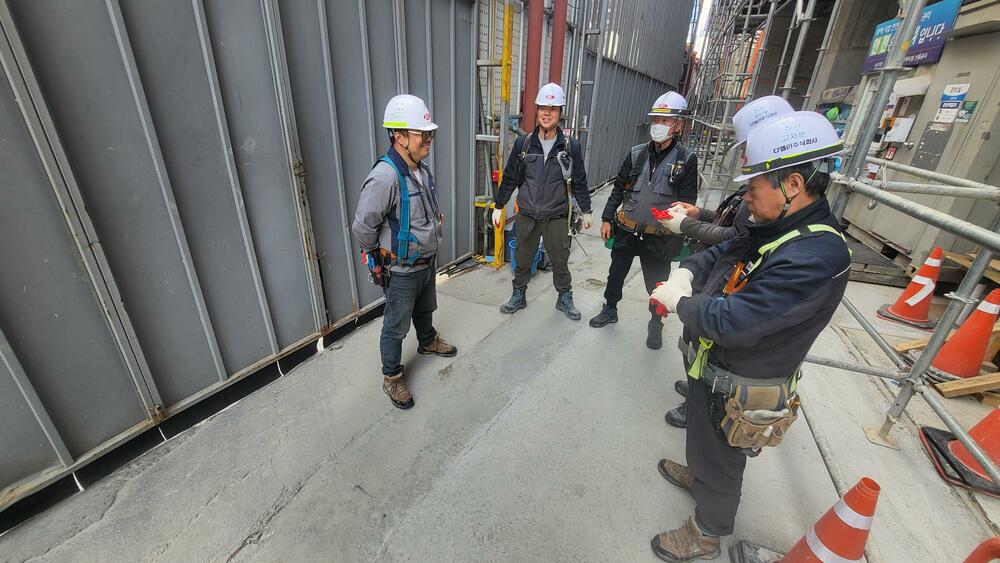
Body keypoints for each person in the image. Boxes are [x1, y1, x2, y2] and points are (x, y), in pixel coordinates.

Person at [647, 111, 851, 561]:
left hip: (742, 378)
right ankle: (701, 476)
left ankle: (706, 532)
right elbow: (728, 248)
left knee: (722, 457)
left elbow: (735, 321)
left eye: (754, 186)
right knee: (706, 442)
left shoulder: (814, 255)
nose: (747, 199)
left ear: (792, 184)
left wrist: (681, 303)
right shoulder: (780, 225)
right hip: (718, 367)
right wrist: (687, 271)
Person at [660, 95, 794, 429]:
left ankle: (697, 402)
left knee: (707, 343)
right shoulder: (760, 188)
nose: (745, 155)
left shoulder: (772, 198)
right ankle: (695, 388)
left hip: (731, 285)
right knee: (695, 343)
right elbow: (731, 223)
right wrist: (699, 213)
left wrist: (685, 225)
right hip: (718, 276)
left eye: (748, 146)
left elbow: (734, 238)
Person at [352, 94, 458, 410]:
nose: (428, 139)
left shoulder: (421, 170)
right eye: (421, 134)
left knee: (425, 309)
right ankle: (392, 377)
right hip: (401, 270)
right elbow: (362, 226)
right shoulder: (384, 177)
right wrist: (376, 256)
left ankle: (427, 341)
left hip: (425, 263)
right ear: (399, 137)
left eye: (430, 133)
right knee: (395, 327)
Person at [588, 91, 698, 350]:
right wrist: (606, 218)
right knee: (615, 274)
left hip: (658, 236)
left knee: (657, 285)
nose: (658, 125)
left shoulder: (686, 160)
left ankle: (655, 323)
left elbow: (687, 203)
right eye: (656, 120)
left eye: (665, 120)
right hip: (627, 229)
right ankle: (610, 308)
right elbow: (618, 188)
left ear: (678, 125)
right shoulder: (636, 154)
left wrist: (681, 233)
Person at [492, 83, 592, 320]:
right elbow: (511, 176)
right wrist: (499, 205)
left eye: (553, 109)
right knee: (522, 259)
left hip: (556, 216)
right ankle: (519, 295)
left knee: (560, 260)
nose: (547, 113)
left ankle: (564, 297)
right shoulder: (524, 144)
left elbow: (579, 180)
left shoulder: (570, 146)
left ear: (560, 113)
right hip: (527, 214)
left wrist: (587, 210)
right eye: (543, 108)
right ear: (536, 111)